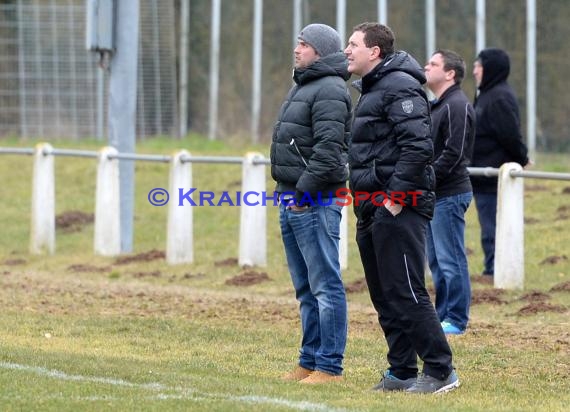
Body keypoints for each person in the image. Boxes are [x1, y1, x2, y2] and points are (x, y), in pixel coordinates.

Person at [345, 22, 459, 394]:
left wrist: (394, 198)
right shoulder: (374, 88)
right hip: (369, 206)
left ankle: (441, 371)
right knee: (385, 294)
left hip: (397, 206)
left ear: (374, 52)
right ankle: (402, 370)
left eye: (353, 44)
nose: (347, 50)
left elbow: (417, 148)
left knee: (407, 290)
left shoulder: (400, 86)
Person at [270, 23, 351, 384]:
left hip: (313, 200)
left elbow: (329, 152)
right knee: (305, 289)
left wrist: (302, 193)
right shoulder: (304, 83)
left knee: (324, 286)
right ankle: (308, 361)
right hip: (293, 197)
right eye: (298, 41)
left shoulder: (331, 88)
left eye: (304, 43)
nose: (297, 48)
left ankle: (329, 367)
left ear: (320, 51)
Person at [424, 50, 475, 336]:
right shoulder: (437, 105)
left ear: (450, 73)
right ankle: (442, 315)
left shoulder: (457, 105)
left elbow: (454, 153)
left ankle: (456, 318)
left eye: (433, 64)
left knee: (450, 258)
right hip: (434, 194)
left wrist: (425, 177)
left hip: (450, 193)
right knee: (437, 261)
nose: (426, 67)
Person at [471, 48, 530, 277]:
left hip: (494, 175)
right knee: (488, 226)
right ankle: (492, 267)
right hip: (483, 176)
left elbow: (509, 135)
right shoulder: (486, 95)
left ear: (491, 69)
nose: (474, 71)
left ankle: (496, 270)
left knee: (494, 227)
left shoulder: (499, 97)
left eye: (479, 66)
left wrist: (521, 158)